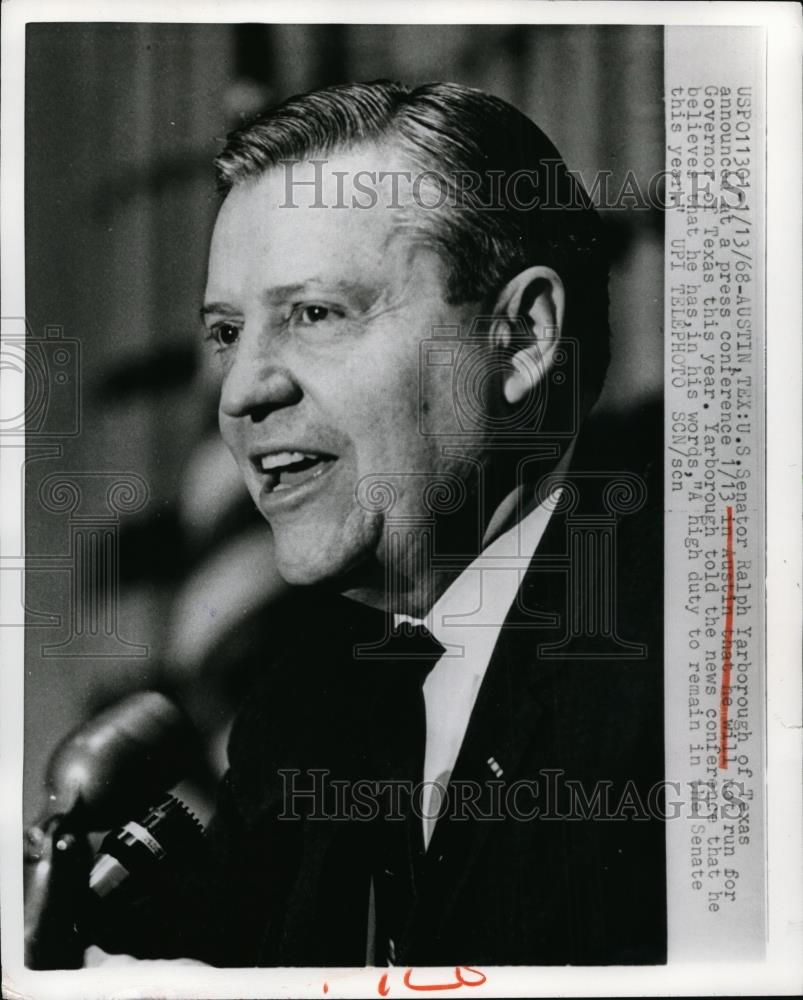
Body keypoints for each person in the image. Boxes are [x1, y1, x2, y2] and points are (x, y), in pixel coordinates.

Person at [95, 79, 666, 967]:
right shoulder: (297, 721)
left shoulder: (691, 670)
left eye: (315, 315)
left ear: (520, 340)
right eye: (224, 334)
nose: (242, 392)